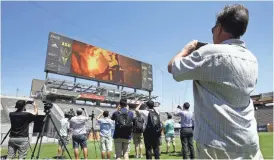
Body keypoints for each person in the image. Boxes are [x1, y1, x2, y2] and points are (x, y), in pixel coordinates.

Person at [168, 4, 263, 159]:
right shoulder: (252, 58)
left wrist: (187, 49)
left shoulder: (209, 52)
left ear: (219, 28)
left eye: (213, 29)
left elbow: (173, 67)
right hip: (249, 141)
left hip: (217, 145)